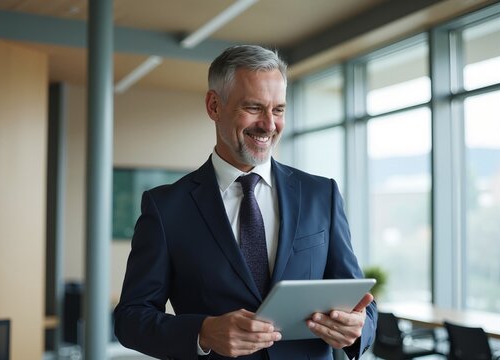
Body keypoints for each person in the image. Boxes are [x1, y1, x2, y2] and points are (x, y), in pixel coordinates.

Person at [114, 45, 377, 359]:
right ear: (214, 106)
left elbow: (361, 301)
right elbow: (131, 318)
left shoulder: (322, 194)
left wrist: (357, 326)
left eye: (278, 110)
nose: (268, 124)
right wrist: (203, 332)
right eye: (254, 107)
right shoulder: (166, 208)